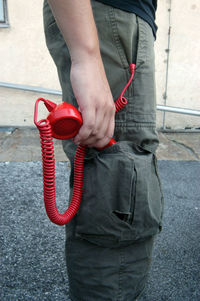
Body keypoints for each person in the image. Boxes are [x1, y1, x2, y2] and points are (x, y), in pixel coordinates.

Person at [43, 0, 164, 300]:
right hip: (108, 23)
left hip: (115, 24)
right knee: (119, 181)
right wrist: (87, 56)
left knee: (120, 174)